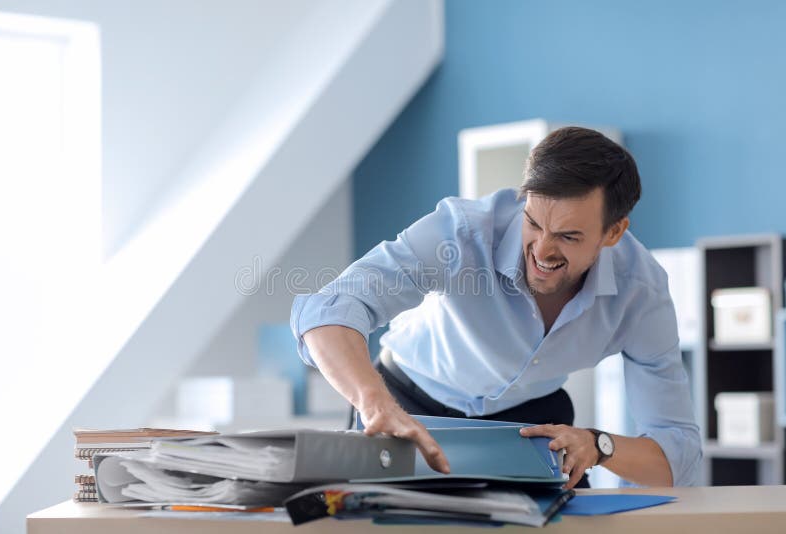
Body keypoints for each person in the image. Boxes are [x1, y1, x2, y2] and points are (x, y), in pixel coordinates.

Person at [289, 127, 701, 489]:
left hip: (530, 424)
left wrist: (599, 445)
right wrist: (374, 404)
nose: (542, 251)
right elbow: (328, 308)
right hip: (406, 402)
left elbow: (677, 454)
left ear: (613, 232)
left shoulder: (641, 291)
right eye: (533, 222)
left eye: (568, 236)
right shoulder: (462, 233)